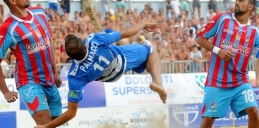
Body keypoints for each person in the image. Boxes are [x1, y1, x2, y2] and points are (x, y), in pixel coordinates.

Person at [34, 23, 168, 128]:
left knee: (142, 58)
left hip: (110, 76)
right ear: (84, 46)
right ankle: (157, 81)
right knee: (150, 49)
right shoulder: (94, 40)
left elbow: (71, 113)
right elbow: (125, 32)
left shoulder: (75, 76)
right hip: (121, 58)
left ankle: (153, 77)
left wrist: (47, 126)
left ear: (70, 57)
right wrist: (143, 24)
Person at [0, 0, 62, 125]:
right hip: (29, 82)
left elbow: (49, 43)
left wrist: (55, 72)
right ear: (12, 0)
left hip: (50, 79)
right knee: (45, 123)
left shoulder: (40, 13)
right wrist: (5, 91)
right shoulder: (7, 28)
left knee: (55, 124)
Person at [196, 0, 259, 128]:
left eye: (241, 1)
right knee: (209, 118)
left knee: (253, 111)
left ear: (250, 6)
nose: (237, 3)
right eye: (236, 0)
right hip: (217, 81)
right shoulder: (222, 19)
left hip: (241, 81)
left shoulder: (254, 31)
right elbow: (200, 39)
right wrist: (218, 51)